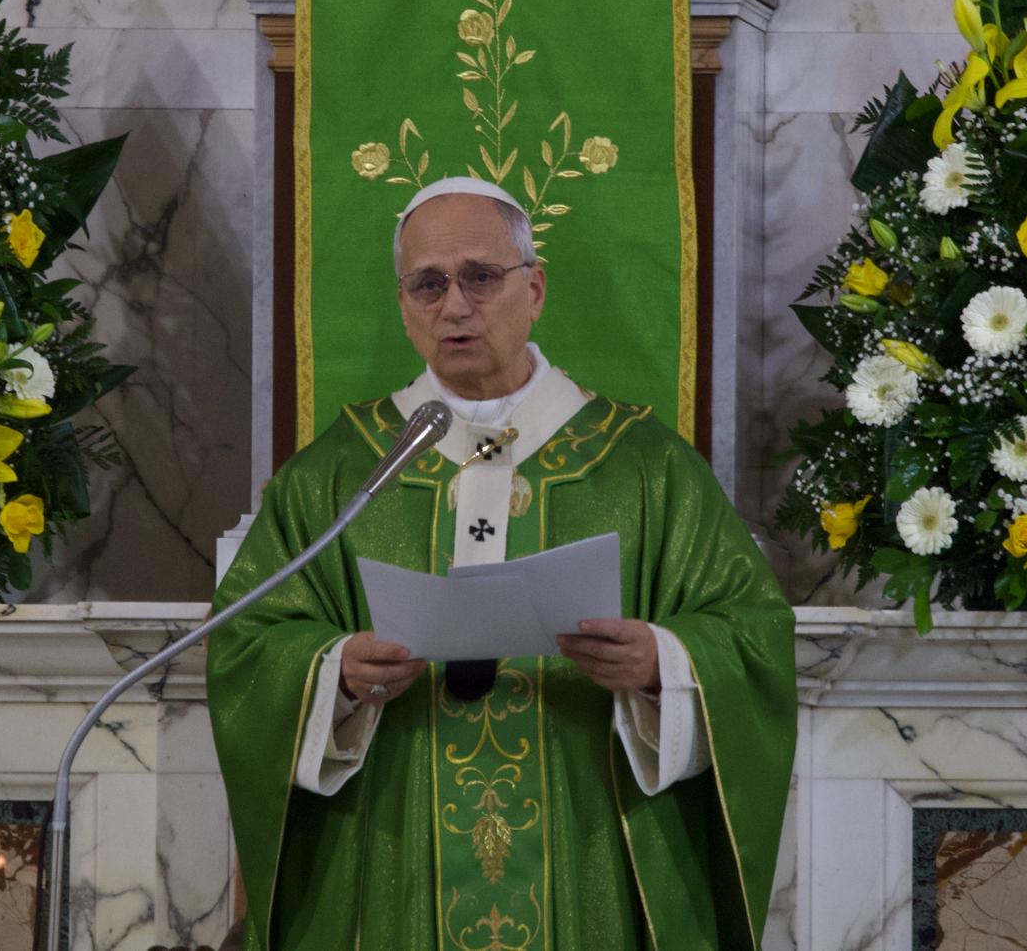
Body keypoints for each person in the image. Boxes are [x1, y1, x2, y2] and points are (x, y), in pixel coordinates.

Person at [207, 177, 795, 950]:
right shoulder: (342, 472)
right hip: (394, 860)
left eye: (481, 276)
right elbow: (245, 646)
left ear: (535, 289)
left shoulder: (645, 468)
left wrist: (664, 663)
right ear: (404, 305)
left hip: (587, 850)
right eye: (428, 284)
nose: (455, 305)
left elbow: (755, 635)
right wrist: (333, 673)